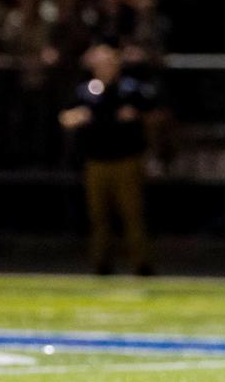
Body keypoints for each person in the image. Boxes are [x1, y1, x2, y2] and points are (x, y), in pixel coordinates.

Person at [58, 43, 156, 276]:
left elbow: (153, 114)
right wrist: (79, 117)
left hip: (126, 159)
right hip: (97, 161)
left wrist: (136, 118)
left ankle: (140, 264)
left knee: (132, 215)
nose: (106, 67)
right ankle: (101, 264)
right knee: (99, 217)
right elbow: (65, 117)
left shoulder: (130, 89)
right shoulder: (86, 91)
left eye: (110, 62)